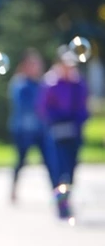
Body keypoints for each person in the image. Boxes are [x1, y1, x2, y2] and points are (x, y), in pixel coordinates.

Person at [38, 49, 90, 218]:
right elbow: (43, 108)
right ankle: (61, 205)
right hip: (56, 133)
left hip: (74, 133)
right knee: (58, 168)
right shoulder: (51, 83)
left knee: (71, 168)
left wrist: (76, 119)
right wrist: (58, 117)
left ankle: (66, 200)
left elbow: (83, 108)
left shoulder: (78, 84)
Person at [8, 48, 50, 201]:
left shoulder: (41, 83)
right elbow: (24, 105)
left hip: (39, 129)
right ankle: (13, 189)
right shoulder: (20, 83)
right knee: (20, 161)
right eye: (33, 64)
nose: (36, 67)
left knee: (49, 161)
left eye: (37, 64)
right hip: (23, 130)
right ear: (25, 66)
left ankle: (57, 192)